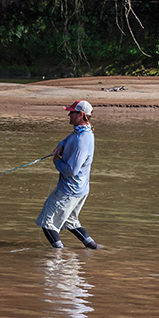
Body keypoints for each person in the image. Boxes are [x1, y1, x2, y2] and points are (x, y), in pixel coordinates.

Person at [36, 100, 97, 249]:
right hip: (80, 189)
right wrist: (61, 145)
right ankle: (94, 248)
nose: (69, 114)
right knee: (70, 221)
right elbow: (71, 137)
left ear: (81, 115)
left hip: (70, 190)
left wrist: (56, 161)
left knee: (47, 222)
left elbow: (71, 170)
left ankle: (58, 255)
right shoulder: (82, 130)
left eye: (72, 112)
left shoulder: (83, 139)